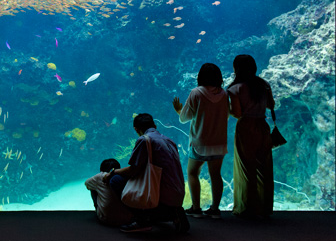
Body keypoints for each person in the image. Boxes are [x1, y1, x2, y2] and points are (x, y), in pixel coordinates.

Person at [103, 113, 187, 233]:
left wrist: (113, 172)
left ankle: (142, 220)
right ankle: (172, 213)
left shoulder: (144, 140)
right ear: (154, 125)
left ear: (136, 129)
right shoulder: (169, 141)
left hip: (160, 195)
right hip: (177, 194)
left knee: (116, 180)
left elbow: (133, 170)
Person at [172, 63, 229, 219]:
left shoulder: (196, 93)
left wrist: (179, 110)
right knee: (216, 175)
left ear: (201, 77)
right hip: (219, 143)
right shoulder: (224, 94)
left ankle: (196, 208)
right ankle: (215, 209)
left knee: (192, 173)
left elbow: (184, 118)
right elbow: (227, 115)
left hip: (200, 143)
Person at [227, 54, 275, 219]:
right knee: (264, 167)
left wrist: (227, 110)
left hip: (246, 127)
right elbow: (271, 105)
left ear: (236, 69)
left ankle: (248, 208)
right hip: (263, 126)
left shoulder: (235, 88)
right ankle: (265, 207)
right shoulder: (264, 85)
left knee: (247, 168)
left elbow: (237, 113)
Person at [85, 159, 134, 226]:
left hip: (106, 219)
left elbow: (87, 183)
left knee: (93, 187)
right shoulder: (123, 176)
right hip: (128, 218)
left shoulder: (100, 176)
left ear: (101, 170)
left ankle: (100, 211)